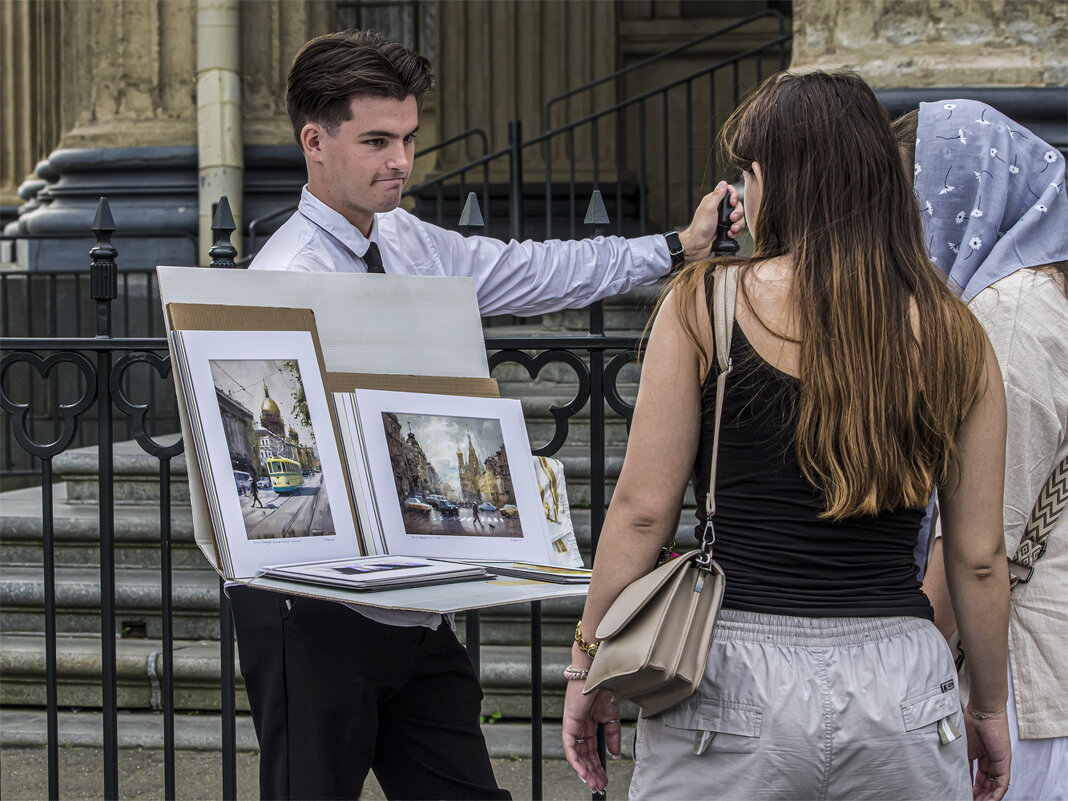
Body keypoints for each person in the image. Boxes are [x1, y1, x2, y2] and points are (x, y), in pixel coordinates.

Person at [233, 29, 745, 801]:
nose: (401, 161)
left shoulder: (407, 239)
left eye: (407, 138)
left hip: (412, 604)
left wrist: (677, 244)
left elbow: (534, 268)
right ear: (315, 141)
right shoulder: (280, 278)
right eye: (376, 141)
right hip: (311, 611)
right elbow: (280, 464)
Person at [562, 70, 1012, 801]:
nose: (742, 191)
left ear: (779, 177)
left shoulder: (705, 302)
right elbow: (978, 556)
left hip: (729, 672)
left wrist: (588, 664)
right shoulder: (957, 332)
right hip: (900, 683)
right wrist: (988, 704)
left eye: (747, 172)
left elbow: (643, 510)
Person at [894, 99, 1068, 801]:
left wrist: (902, 682)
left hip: (1024, 687)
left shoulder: (1011, 311)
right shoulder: (1044, 293)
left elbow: (980, 539)